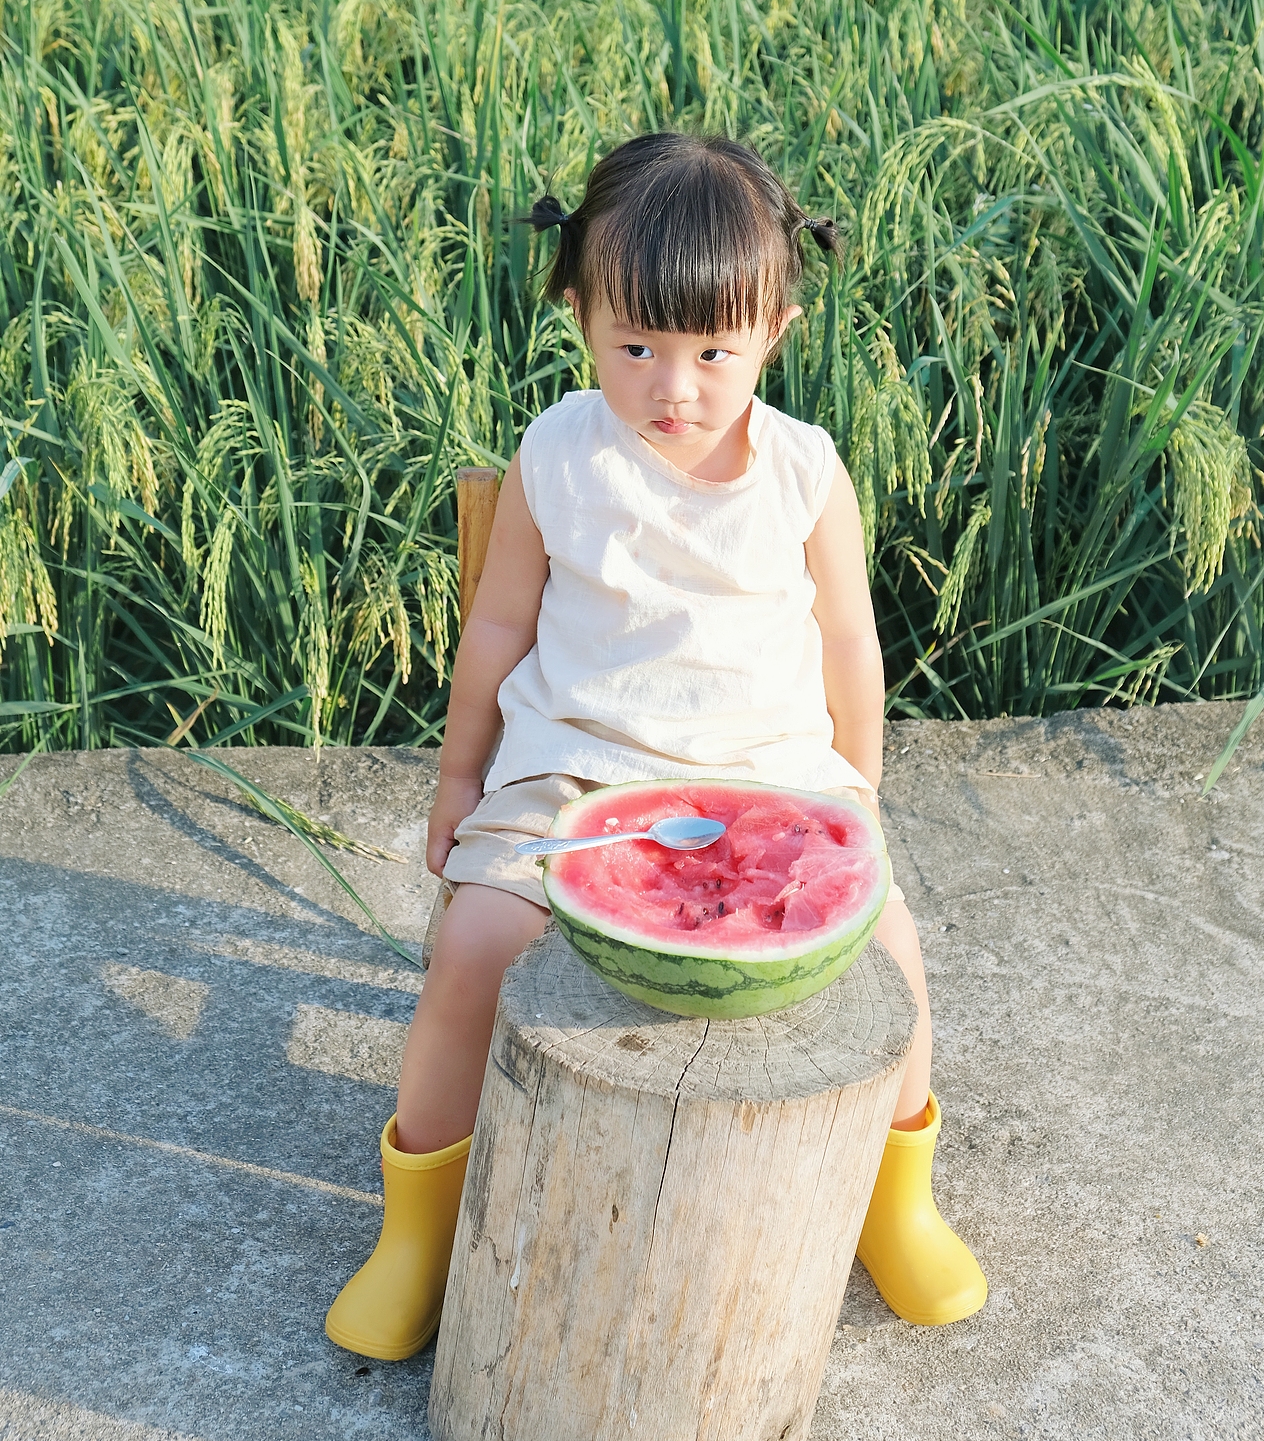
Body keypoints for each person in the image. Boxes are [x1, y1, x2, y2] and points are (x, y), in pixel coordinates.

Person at [325, 133, 986, 1361]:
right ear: (577, 314)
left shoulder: (804, 473)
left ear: (774, 331)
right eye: (634, 347)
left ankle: (896, 1206)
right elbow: (496, 628)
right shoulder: (555, 455)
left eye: (711, 353)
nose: (671, 387)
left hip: (772, 773)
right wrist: (461, 777)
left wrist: (857, 799)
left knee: (891, 950)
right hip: (575, 768)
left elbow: (849, 646)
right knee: (471, 946)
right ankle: (416, 1226)